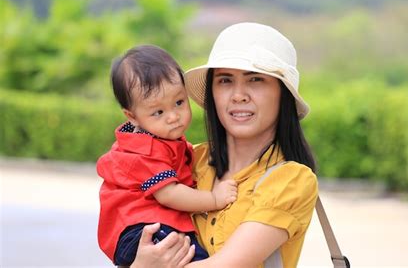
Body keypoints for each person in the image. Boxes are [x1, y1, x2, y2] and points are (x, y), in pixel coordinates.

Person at [131, 22, 318, 268]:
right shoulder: (188, 159)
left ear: (283, 94)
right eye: (225, 81)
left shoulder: (291, 180)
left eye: (255, 80)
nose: (238, 95)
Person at [96, 45, 238, 266]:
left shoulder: (160, 140)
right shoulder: (142, 151)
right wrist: (214, 199)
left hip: (148, 225)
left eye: (179, 102)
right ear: (132, 116)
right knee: (195, 258)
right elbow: (169, 194)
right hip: (142, 229)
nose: (173, 116)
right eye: (158, 112)